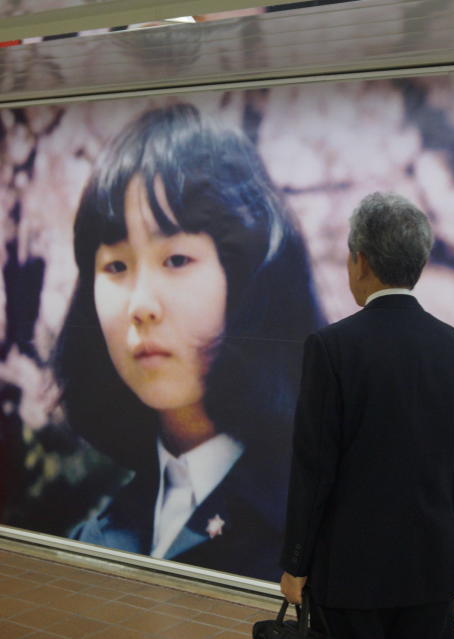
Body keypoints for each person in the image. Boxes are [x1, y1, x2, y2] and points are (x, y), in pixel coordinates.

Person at [53, 104, 323, 580]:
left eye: (176, 259)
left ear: (247, 279)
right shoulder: (96, 534)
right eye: (115, 266)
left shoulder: (316, 521)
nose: (141, 304)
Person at [278, 192, 454, 639]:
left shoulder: (331, 348)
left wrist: (295, 563)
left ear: (361, 261)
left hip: (350, 569)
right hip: (432, 563)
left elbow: (314, 467)